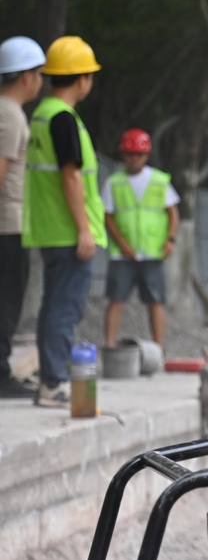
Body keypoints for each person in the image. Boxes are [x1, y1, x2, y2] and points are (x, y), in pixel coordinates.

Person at [23, 36, 107, 408]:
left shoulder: (41, 114)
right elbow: (71, 178)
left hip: (50, 228)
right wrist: (84, 230)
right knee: (64, 309)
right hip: (70, 231)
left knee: (53, 306)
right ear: (82, 79)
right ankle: (53, 383)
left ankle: (50, 380)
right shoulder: (63, 118)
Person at [101, 129, 180, 347]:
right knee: (116, 300)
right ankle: (109, 346)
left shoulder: (159, 180)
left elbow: (173, 213)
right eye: (130, 154)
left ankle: (159, 348)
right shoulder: (113, 183)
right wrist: (123, 245)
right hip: (122, 255)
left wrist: (170, 239)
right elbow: (108, 217)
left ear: (146, 155)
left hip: (152, 252)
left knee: (155, 301)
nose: (134, 158)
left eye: (139, 154)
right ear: (123, 155)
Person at [0, 37, 45, 398]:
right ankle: (1, 373)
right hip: (6, 225)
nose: (41, 81)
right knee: (7, 299)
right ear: (27, 76)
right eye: (39, 74)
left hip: (11, 223)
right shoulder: (9, 115)